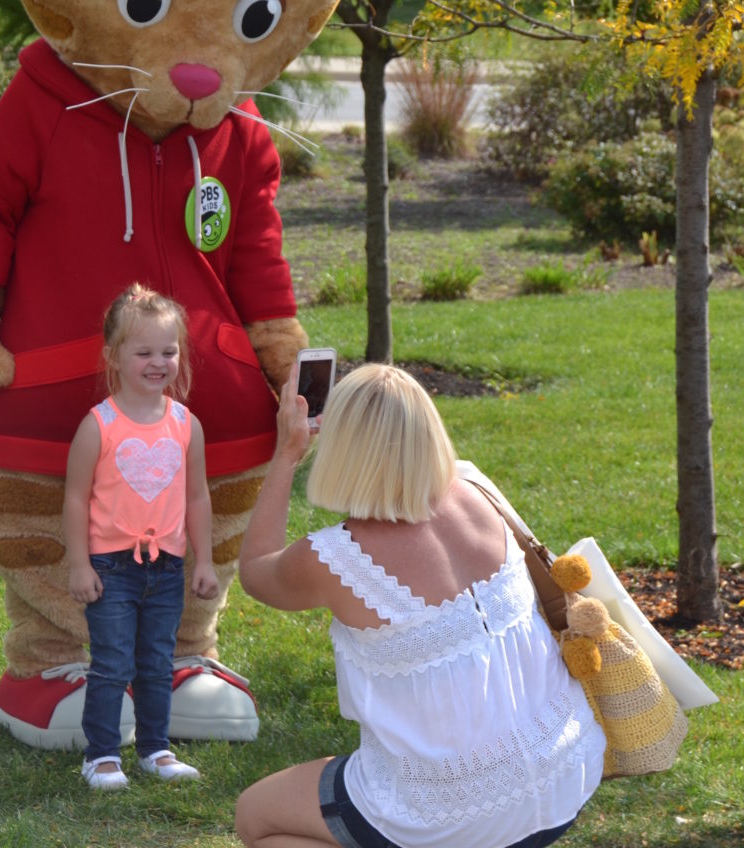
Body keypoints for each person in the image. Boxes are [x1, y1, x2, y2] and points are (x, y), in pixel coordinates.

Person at [235, 363, 606, 848]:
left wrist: (286, 454)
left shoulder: (334, 557)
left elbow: (256, 570)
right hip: (567, 768)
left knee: (256, 817)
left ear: (342, 449)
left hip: (451, 813)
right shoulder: (477, 489)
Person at [63, 284, 220, 790]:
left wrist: (203, 561)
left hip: (167, 568)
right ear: (113, 357)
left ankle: (155, 748)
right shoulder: (99, 426)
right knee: (111, 662)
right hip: (110, 566)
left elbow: (196, 497)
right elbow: (75, 499)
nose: (159, 362)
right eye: (144, 352)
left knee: (156, 662)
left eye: (169, 352)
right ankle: (102, 755)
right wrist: (80, 564)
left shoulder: (184, 425)